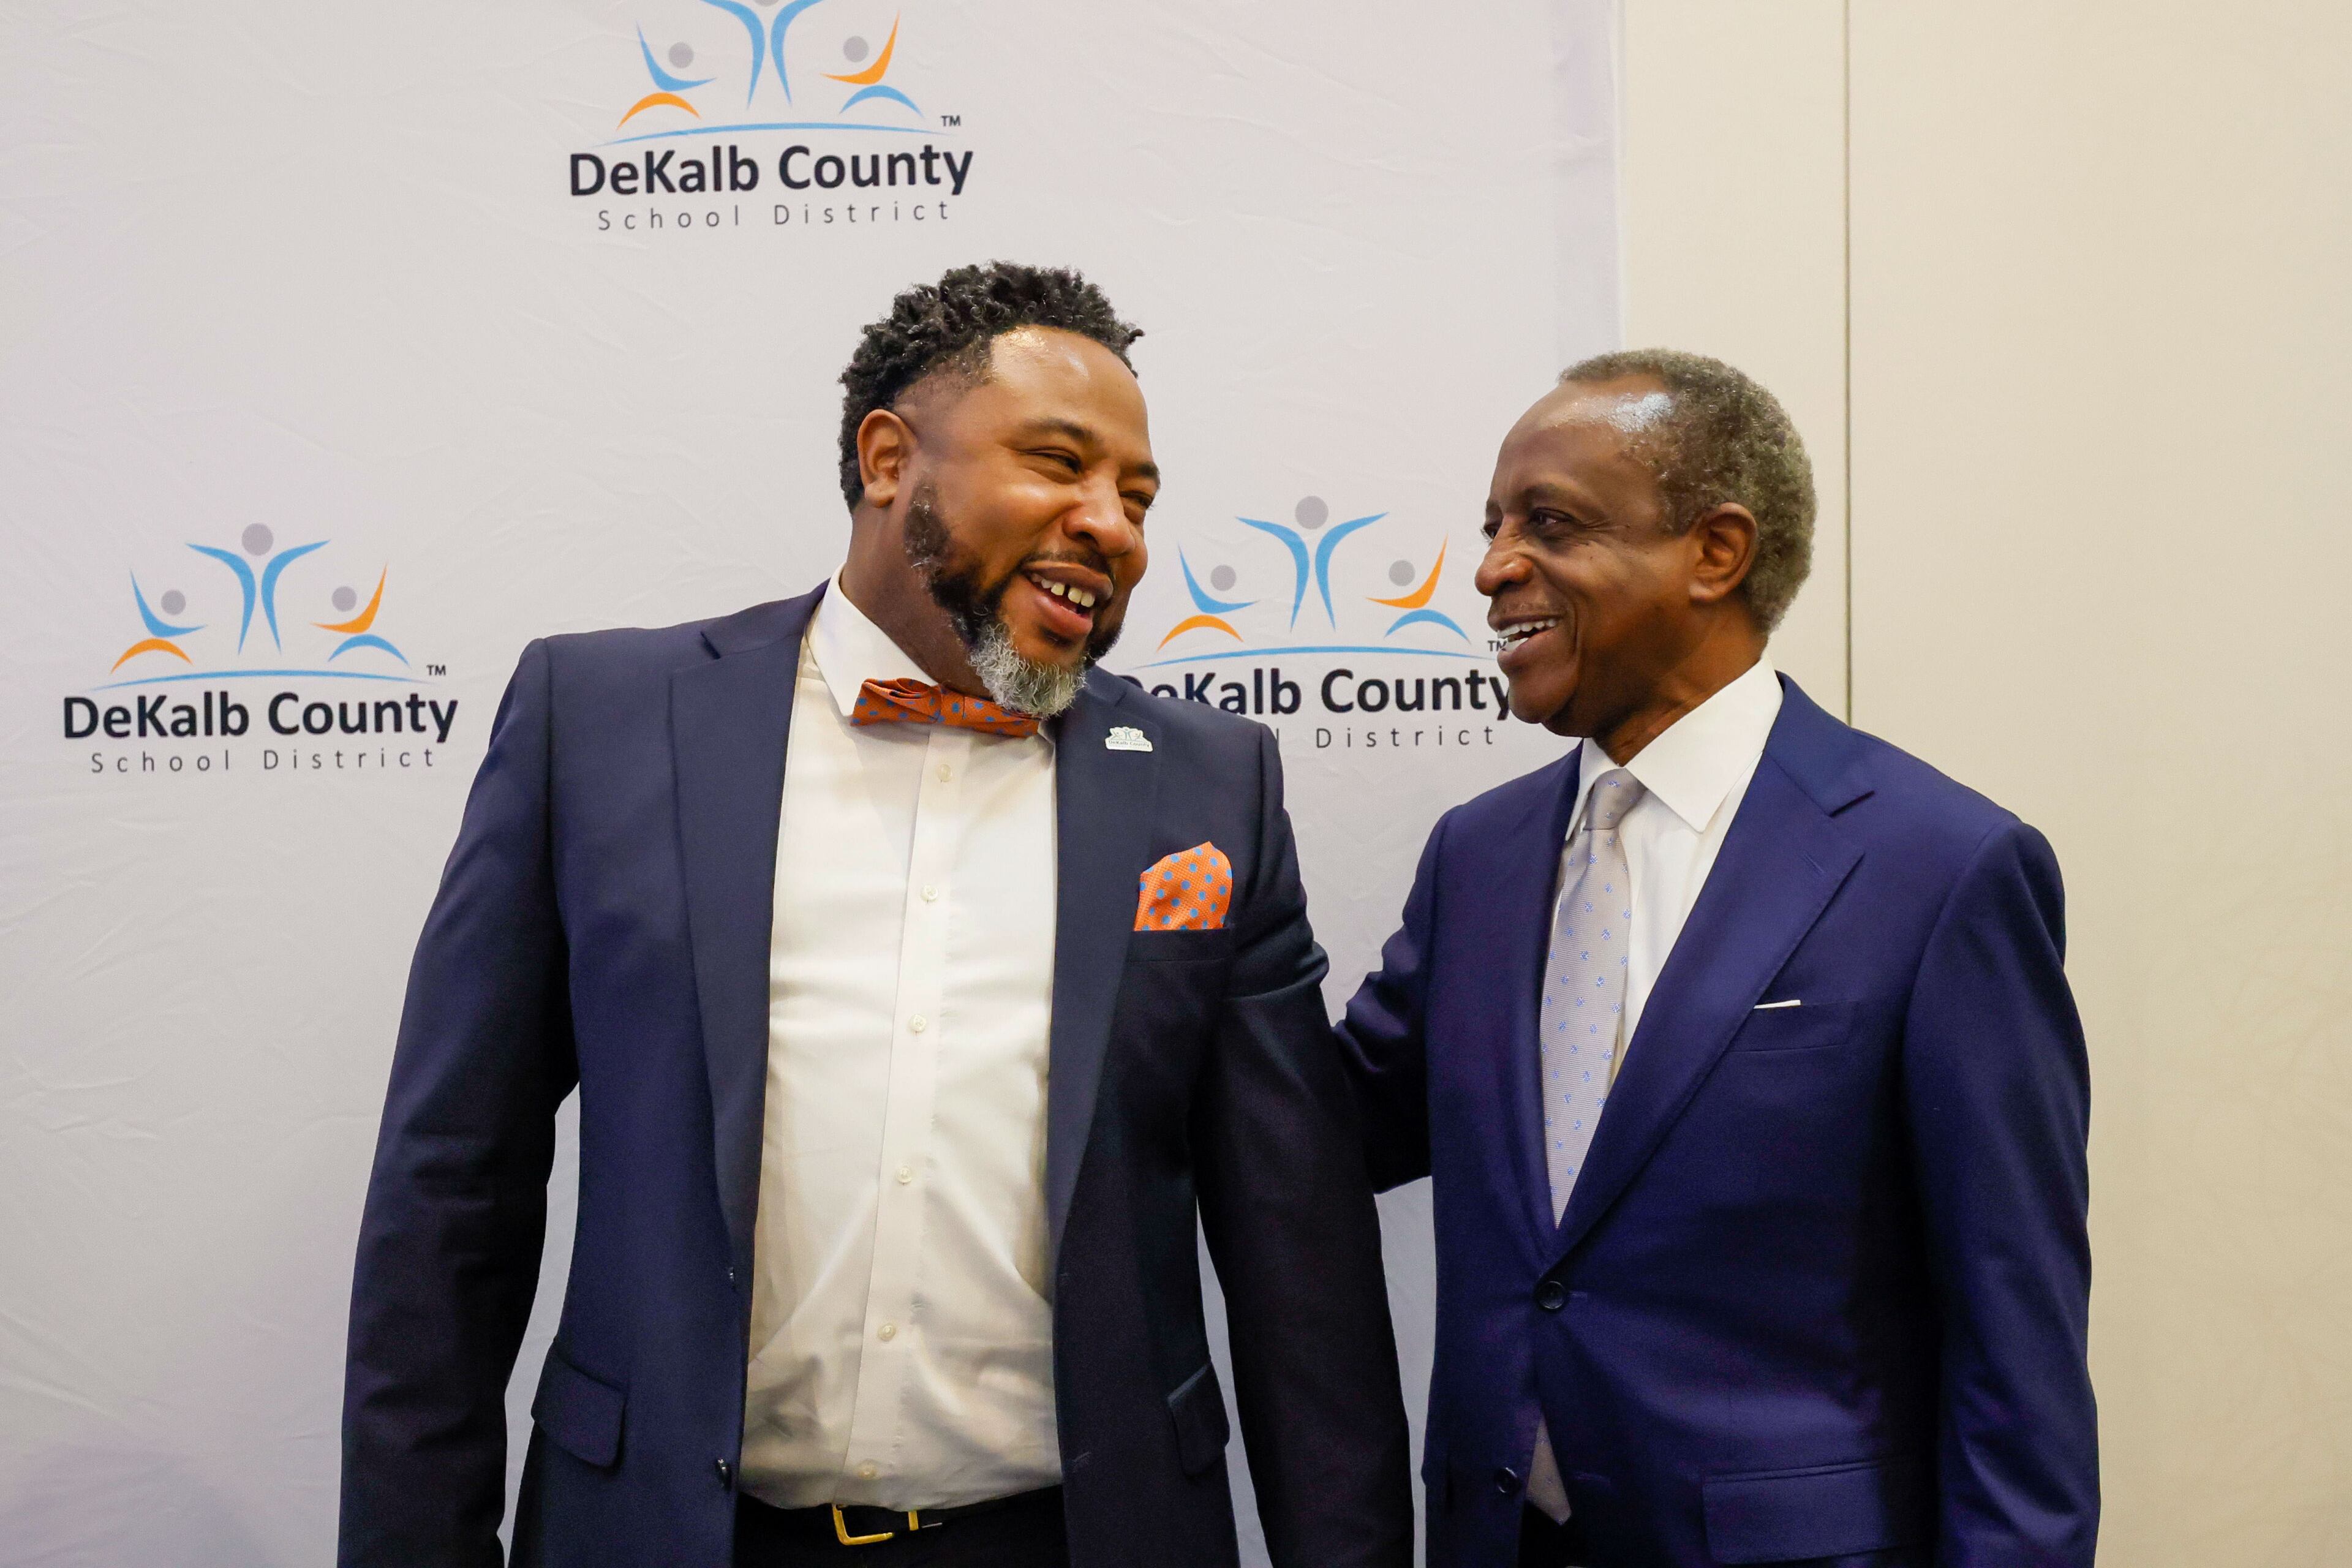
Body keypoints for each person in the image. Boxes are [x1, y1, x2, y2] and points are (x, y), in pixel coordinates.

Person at [340, 262, 1412, 1568]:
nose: (1113, 524)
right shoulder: (602, 720)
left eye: (1136, 497)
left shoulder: (1212, 782)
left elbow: (1300, 1257)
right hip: (673, 1532)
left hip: (1074, 1537)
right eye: (1059, 463)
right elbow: (454, 1185)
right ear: (892, 457)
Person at [1337, 350, 2097, 1567]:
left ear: (1715, 551)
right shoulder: (1476, 859)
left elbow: (2015, 1334)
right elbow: (1325, 1129)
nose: (1489, 569)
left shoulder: (1940, 867)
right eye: (1491, 527)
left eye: (1549, 523)